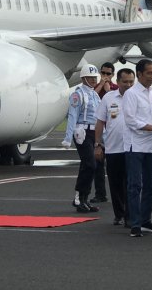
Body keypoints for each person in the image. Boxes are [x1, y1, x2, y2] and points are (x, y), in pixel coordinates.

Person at [122, 59, 152, 237]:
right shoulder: (131, 94)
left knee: (151, 186)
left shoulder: (151, 93)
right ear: (140, 74)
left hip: (150, 145)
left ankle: (145, 220)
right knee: (135, 185)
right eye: (149, 73)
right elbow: (130, 120)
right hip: (135, 146)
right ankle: (135, 223)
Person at [94, 68, 135, 225]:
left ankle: (130, 216)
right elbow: (100, 122)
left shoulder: (138, 97)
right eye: (125, 82)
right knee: (115, 183)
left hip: (132, 148)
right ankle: (119, 213)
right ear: (117, 82)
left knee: (131, 183)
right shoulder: (109, 98)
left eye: (131, 81)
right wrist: (98, 145)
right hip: (113, 148)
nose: (129, 85)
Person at [62, 64, 101, 213]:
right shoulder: (77, 95)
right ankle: (79, 197)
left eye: (94, 77)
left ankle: (84, 198)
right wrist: (67, 137)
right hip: (82, 132)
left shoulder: (94, 94)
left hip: (93, 133)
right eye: (90, 77)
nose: (93, 80)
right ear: (83, 78)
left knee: (90, 165)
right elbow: (72, 116)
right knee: (89, 164)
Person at [90, 62, 117, 203]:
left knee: (114, 167)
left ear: (113, 75)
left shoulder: (116, 89)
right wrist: (101, 85)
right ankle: (100, 194)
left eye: (108, 74)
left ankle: (116, 195)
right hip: (99, 130)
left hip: (112, 131)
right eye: (103, 73)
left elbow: (117, 106)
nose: (105, 76)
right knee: (98, 165)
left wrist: (108, 90)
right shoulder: (95, 88)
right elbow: (90, 97)